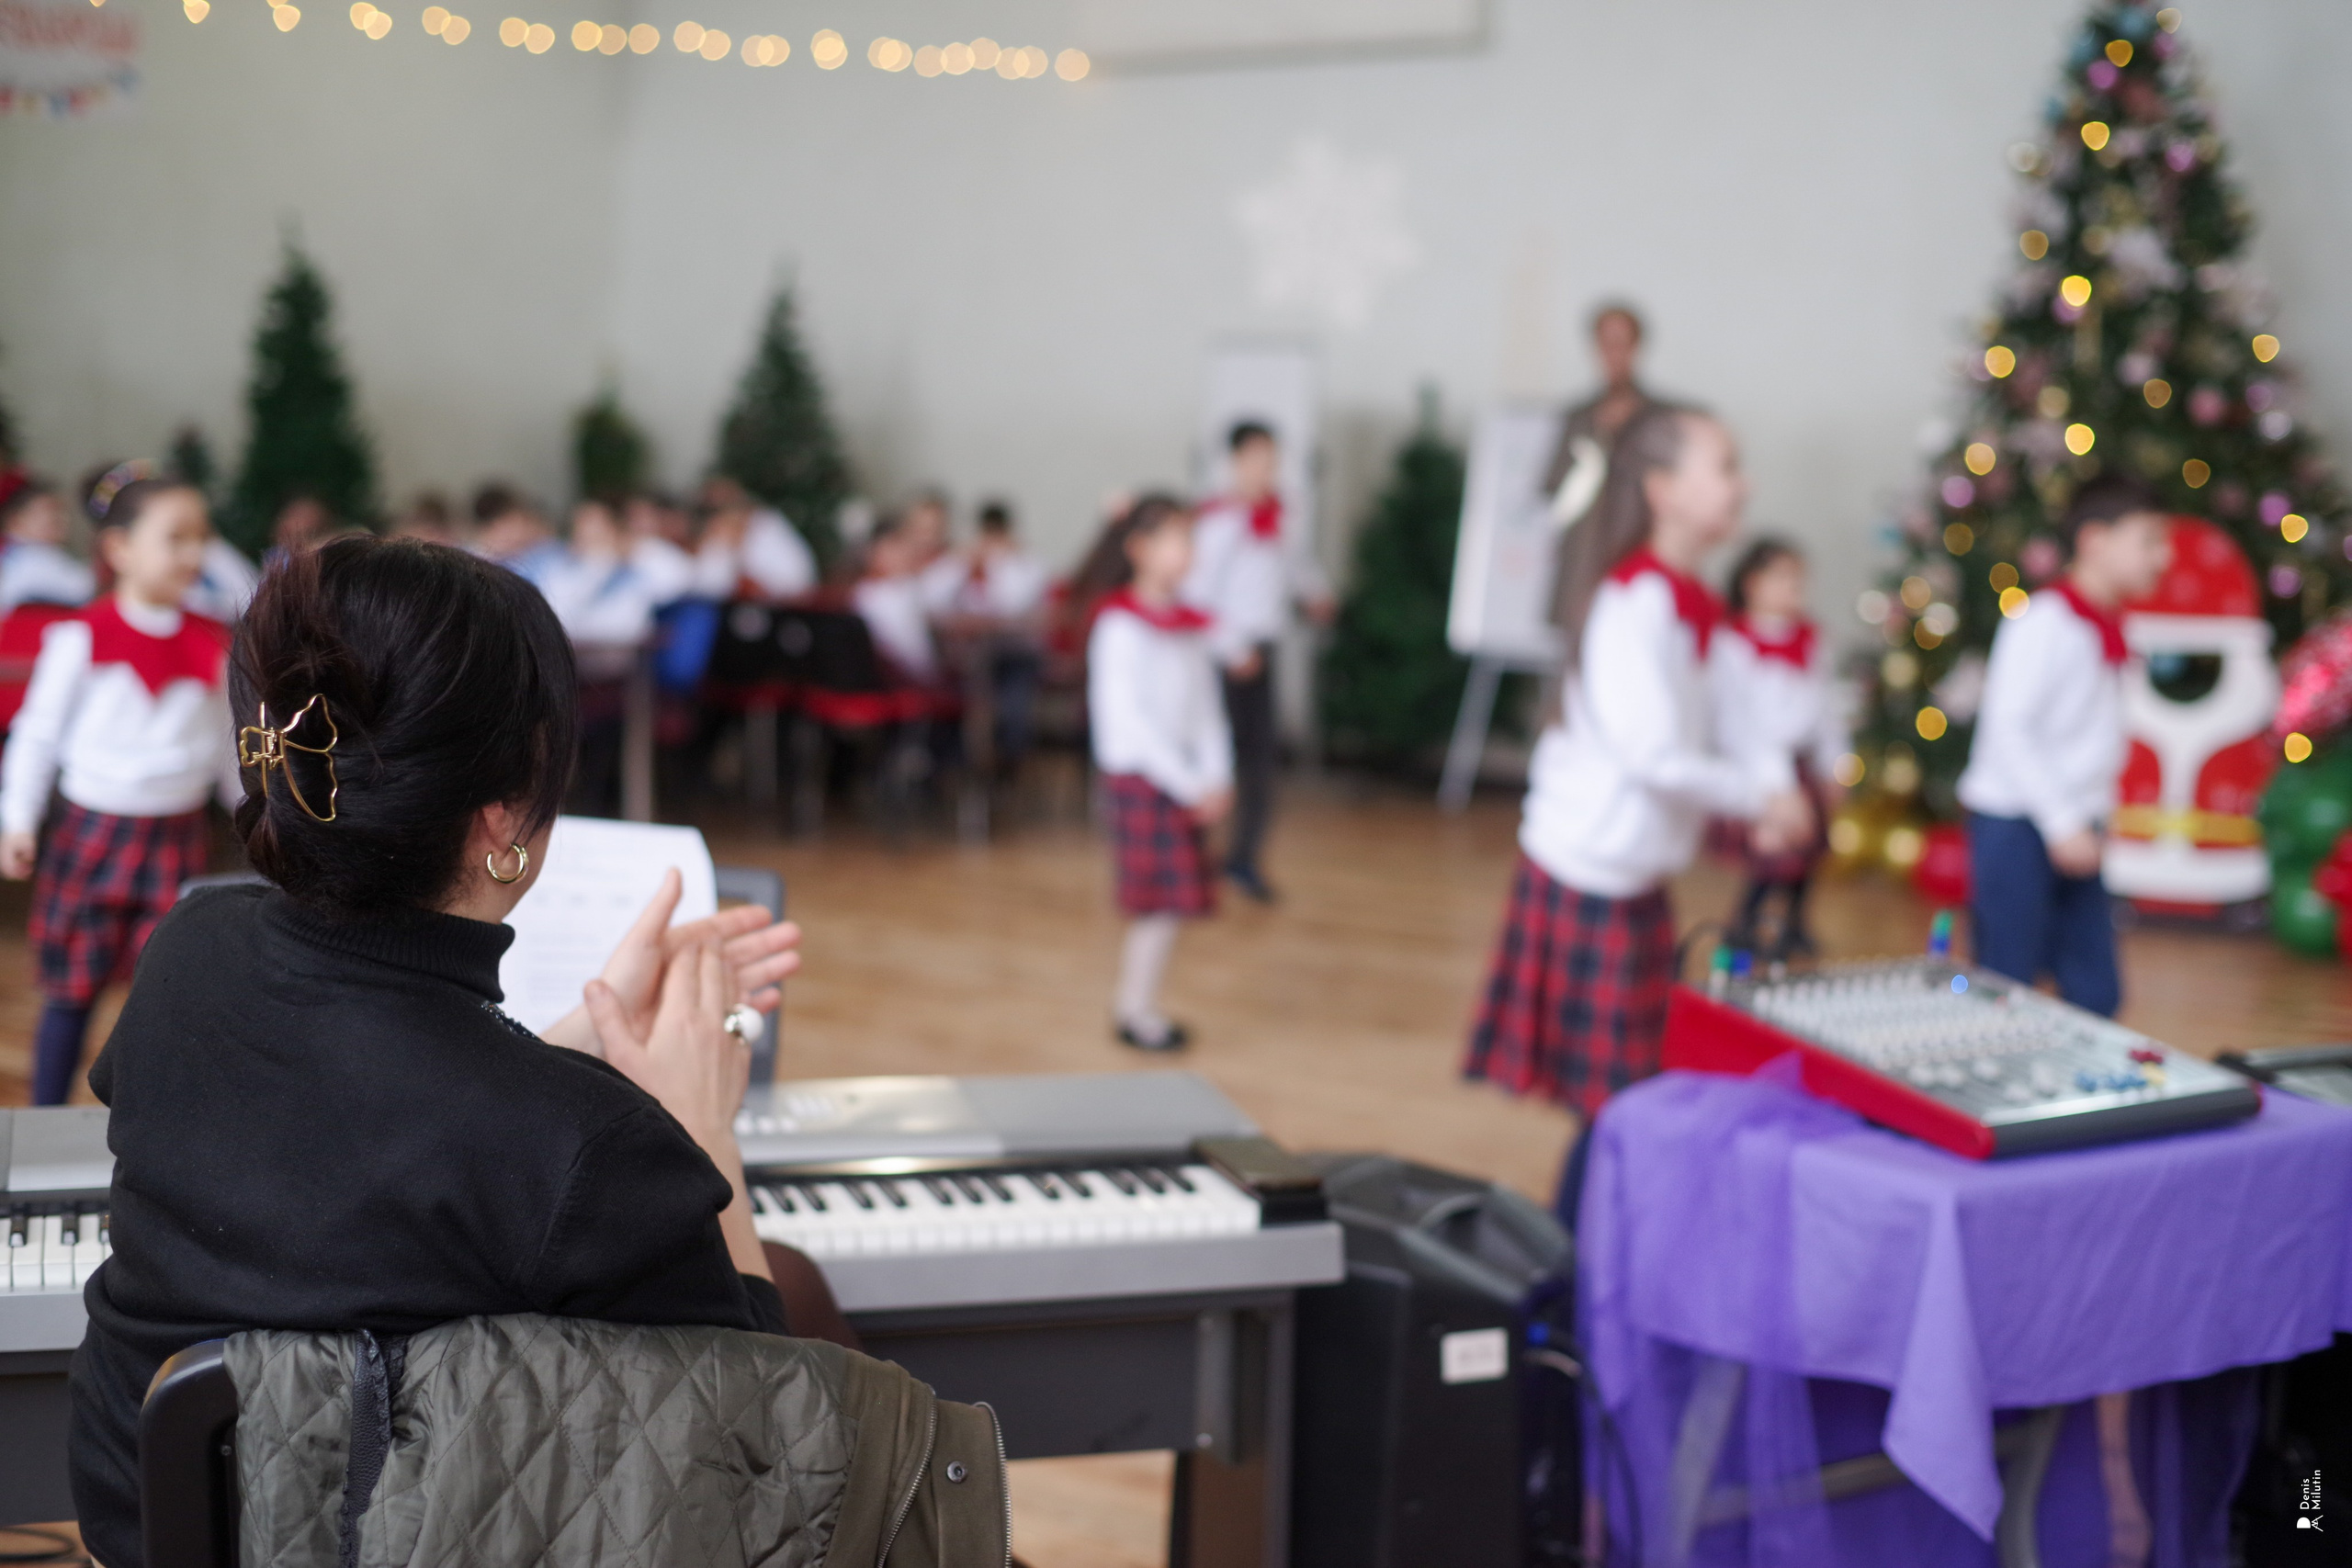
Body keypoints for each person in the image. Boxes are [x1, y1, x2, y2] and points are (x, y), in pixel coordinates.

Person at [65, 536, 809, 1568]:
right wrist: (705, 1130)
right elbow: (763, 1444)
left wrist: (582, 1040)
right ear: (502, 822)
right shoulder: (580, 1147)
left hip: (145, 1526)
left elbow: (376, 1151)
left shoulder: (191, 951)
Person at [1464, 407, 1812, 1157]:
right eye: (1724, 467)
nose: (1742, 484)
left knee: (1629, 1097)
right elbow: (1652, 756)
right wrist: (1761, 799)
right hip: (1589, 872)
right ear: (1664, 490)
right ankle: (1585, 1260)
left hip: (1636, 875)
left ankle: (1597, 1248)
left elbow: (1743, 714)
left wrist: (1775, 788)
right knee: (1612, 1105)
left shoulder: (1694, 600)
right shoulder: (1633, 603)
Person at [0, 462, 243, 1105]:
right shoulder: (81, 637)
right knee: (70, 992)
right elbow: (37, 736)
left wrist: (259, 818)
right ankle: (45, 1117)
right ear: (119, 548)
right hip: (92, 834)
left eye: (202, 536)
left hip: (177, 838)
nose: (195, 552)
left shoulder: (211, 642)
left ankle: (152, 1130)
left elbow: (227, 749)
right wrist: (16, 820)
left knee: (165, 997)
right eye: (177, 536)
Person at [1957, 473, 2172, 1016]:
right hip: (2018, 824)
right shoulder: (2042, 621)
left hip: (2078, 824)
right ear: (2094, 542)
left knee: (2096, 988)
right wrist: (2060, 821)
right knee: (2007, 980)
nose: (2163, 557)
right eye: (2149, 540)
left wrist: (2089, 816)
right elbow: (2009, 728)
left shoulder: (2113, 624)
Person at [1080, 495, 1234, 1052]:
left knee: (1168, 907)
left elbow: (1207, 709)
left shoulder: (1189, 623)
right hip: (1145, 781)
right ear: (1140, 549)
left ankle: (1139, 1005)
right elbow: (1131, 724)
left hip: (1184, 779)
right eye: (1177, 539)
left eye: (1191, 538)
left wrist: (1216, 773)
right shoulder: (1120, 626)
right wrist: (1191, 784)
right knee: (1156, 905)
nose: (1188, 551)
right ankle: (1134, 1009)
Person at [1181, 422, 1329, 904]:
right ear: (1235, 461)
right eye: (1257, 458)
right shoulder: (1219, 520)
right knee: (1214, 757)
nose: (1266, 468)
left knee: (1260, 762)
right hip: (1226, 655)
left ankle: (1243, 858)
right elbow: (1197, 595)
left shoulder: (1278, 514)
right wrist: (1232, 649)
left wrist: (1316, 595)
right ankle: (1193, 856)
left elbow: (1295, 564)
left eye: (1272, 459)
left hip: (1263, 650)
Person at [1710, 536, 1848, 960]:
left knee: (1806, 857)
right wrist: (1774, 785)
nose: (1795, 589)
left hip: (1804, 764)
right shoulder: (1732, 643)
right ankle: (1745, 927)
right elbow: (1738, 722)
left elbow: (1826, 705)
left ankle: (1794, 923)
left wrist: (1835, 763)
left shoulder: (1810, 639)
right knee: (1773, 858)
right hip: (1763, 771)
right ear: (1753, 583)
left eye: (1799, 580)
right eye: (1783, 578)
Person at [1543, 303, 1661, 622]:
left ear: (1637, 347)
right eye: (1606, 343)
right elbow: (1551, 485)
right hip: (1583, 561)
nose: (1613, 353)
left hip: (1635, 561)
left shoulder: (1658, 417)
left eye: (1622, 343)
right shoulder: (1578, 416)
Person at [851, 512, 943, 686]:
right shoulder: (891, 592)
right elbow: (915, 661)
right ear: (873, 552)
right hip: (903, 687)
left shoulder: (902, 587)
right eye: (897, 547)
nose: (907, 554)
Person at [698, 475, 818, 601]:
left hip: (783, 606)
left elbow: (798, 581)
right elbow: (706, 583)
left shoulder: (768, 529)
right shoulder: (715, 537)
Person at [0, 478, 95, 612]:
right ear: (15, 521)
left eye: (63, 512)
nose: (63, 519)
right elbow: (86, 588)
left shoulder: (15, 552)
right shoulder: (31, 556)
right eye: (52, 511)